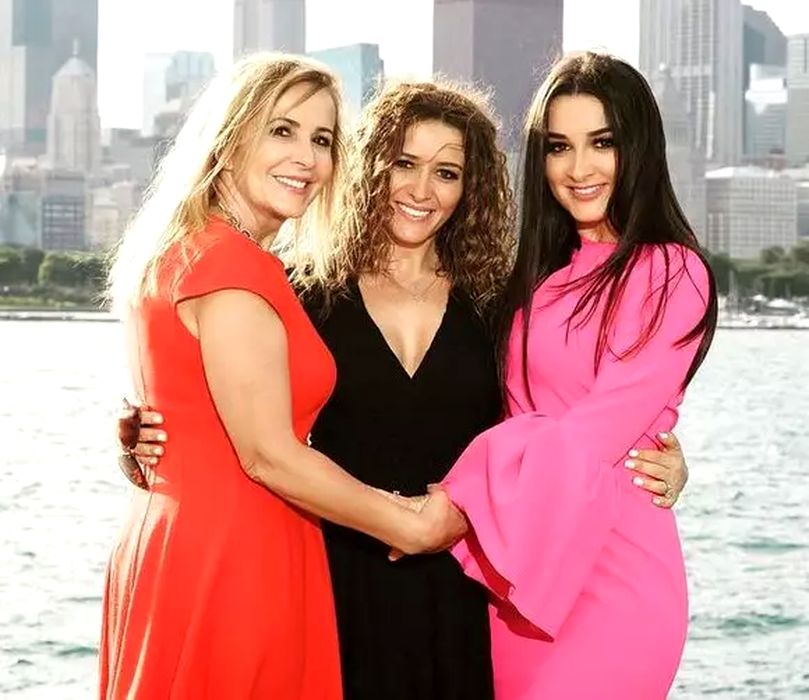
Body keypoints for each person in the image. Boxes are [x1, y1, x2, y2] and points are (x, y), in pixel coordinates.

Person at [118, 76, 693, 699]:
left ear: (470, 188)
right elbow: (226, 402)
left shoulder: (500, 306)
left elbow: (552, 409)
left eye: (446, 173)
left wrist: (663, 454)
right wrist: (139, 433)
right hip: (337, 576)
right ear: (370, 168)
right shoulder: (302, 292)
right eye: (404, 164)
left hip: (463, 586)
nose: (422, 190)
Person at [100, 54, 464, 700]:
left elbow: (185, 403)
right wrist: (409, 524)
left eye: (321, 140)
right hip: (235, 559)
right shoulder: (233, 268)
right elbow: (267, 454)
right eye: (282, 130)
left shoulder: (183, 249)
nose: (306, 157)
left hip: (177, 543)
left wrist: (133, 433)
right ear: (229, 137)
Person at [435, 52, 717, 699]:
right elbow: (500, 410)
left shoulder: (672, 272)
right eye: (559, 146)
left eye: (602, 143)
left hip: (615, 578)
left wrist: (449, 507)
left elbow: (590, 434)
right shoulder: (531, 280)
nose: (578, 168)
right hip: (513, 574)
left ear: (639, 148)